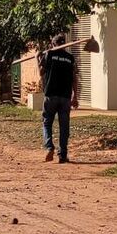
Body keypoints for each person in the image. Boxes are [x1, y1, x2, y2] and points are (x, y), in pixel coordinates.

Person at [38, 33, 79, 163]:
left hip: (51, 95)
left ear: (54, 44)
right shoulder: (70, 58)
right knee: (64, 126)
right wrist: (75, 96)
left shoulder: (49, 54)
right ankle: (63, 155)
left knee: (47, 122)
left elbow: (40, 72)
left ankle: (49, 147)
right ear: (64, 44)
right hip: (65, 97)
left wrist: (36, 58)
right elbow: (74, 78)